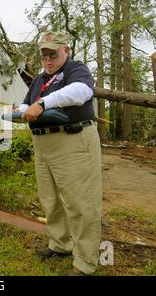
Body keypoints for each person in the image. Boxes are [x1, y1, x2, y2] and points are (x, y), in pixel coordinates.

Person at [19, 31, 102, 276]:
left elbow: (80, 92)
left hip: (73, 141)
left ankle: (85, 261)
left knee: (80, 201)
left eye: (53, 54)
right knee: (50, 199)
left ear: (66, 50)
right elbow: (26, 102)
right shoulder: (39, 80)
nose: (47, 60)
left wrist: (43, 103)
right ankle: (61, 243)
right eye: (43, 55)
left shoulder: (77, 70)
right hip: (44, 144)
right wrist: (20, 110)